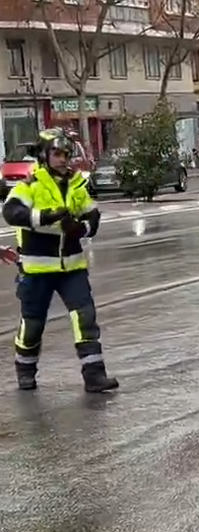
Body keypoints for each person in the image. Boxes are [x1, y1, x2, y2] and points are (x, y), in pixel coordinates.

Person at [1, 128, 117, 392]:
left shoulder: (77, 185)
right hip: (37, 268)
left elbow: (93, 218)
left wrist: (80, 230)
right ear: (44, 155)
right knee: (33, 323)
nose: (63, 159)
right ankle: (25, 369)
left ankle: (94, 375)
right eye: (57, 153)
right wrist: (46, 217)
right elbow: (12, 212)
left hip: (72, 267)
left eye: (66, 154)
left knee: (84, 316)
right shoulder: (30, 185)